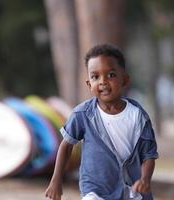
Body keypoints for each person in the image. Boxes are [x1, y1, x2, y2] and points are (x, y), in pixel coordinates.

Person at [45, 44, 159, 200]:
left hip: (132, 189)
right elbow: (66, 145)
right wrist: (56, 180)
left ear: (124, 79)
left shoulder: (138, 116)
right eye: (95, 77)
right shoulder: (82, 114)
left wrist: (145, 179)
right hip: (96, 189)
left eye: (111, 75)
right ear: (89, 84)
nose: (103, 82)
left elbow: (149, 155)